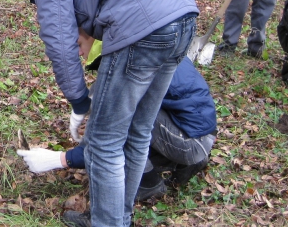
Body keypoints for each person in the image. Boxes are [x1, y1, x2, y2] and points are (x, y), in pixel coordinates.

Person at [12, 0, 198, 227]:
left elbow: (60, 38)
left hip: (143, 29)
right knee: (137, 131)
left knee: (103, 140)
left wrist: (80, 102)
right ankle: (113, 222)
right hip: (182, 18)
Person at [17, 57, 217, 208]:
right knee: (124, 105)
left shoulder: (129, 60)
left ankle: (149, 182)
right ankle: (181, 161)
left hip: (189, 141)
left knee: (130, 110)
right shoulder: (139, 40)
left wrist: (61, 159)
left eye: (78, 42)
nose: (79, 51)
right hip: (199, 132)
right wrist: (87, 103)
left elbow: (109, 137)